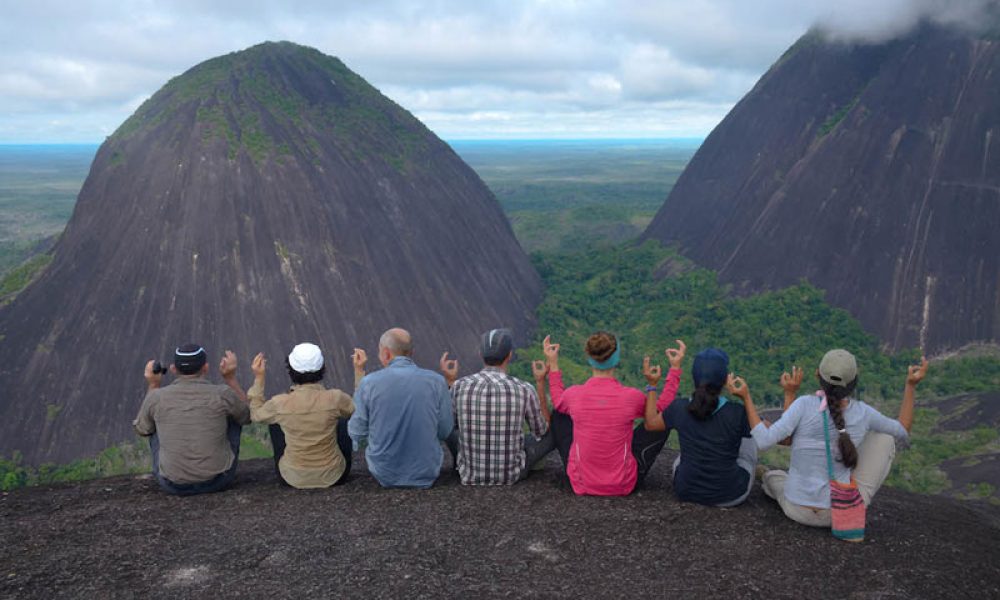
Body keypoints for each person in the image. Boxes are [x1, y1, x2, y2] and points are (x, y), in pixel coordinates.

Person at [744, 349, 928, 527]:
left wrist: (746, 397)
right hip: (838, 514)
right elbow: (902, 429)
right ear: (854, 381)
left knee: (778, 482)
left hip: (796, 510)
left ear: (817, 375)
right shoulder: (863, 413)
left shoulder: (803, 405)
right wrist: (911, 386)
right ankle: (848, 491)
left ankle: (768, 476)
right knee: (885, 437)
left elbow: (766, 439)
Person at [544, 332, 681, 496]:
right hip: (623, 484)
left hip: (581, 482)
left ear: (589, 357)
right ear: (616, 359)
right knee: (660, 422)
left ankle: (580, 467)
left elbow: (558, 400)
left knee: (560, 413)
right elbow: (660, 409)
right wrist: (674, 370)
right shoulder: (631, 397)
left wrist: (553, 363)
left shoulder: (574, 395)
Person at [643, 345, 758, 507]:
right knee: (751, 435)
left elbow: (651, 424)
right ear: (725, 380)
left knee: (680, 460)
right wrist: (746, 399)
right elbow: (764, 432)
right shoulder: (737, 413)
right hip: (731, 494)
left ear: (694, 378)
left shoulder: (679, 408)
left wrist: (652, 386)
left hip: (686, 491)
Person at [439, 328, 554, 485]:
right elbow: (541, 431)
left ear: (481, 354)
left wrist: (450, 381)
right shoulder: (524, 388)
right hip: (511, 475)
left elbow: (451, 426)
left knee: (447, 426)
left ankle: (460, 465)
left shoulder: (459, 386)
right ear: (509, 355)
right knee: (554, 430)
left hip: (469, 474)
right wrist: (540, 382)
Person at [133, 344, 250, 496]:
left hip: (171, 484)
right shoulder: (222, 394)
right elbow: (247, 416)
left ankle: (175, 468)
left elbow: (142, 429)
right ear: (206, 368)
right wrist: (230, 378)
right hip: (218, 481)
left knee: (153, 420)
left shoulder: (157, 397)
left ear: (173, 369)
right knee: (234, 410)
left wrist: (153, 385)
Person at [348, 327, 453, 488]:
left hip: (383, 472)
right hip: (427, 471)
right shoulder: (437, 382)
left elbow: (356, 431)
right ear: (411, 352)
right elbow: (445, 429)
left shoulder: (369, 383)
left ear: (386, 353)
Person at [246, 343, 360, 489]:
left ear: (291, 370)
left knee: (275, 423)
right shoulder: (335, 398)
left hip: (292, 477)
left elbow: (256, 414)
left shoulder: (279, 403)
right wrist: (359, 370)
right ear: (322, 369)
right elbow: (359, 408)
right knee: (343, 419)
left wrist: (259, 378)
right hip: (334, 475)